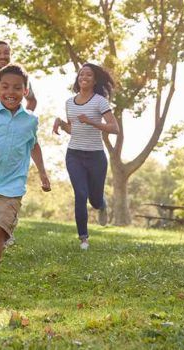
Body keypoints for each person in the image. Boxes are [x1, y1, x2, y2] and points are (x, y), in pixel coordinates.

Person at [0, 63, 51, 296]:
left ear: (25, 91)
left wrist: (43, 173)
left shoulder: (30, 121)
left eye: (17, 87)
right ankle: (0, 226)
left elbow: (33, 145)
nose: (10, 92)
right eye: (5, 87)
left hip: (12, 185)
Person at [52, 63, 119, 250]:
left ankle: (102, 203)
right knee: (80, 194)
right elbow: (73, 130)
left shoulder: (100, 101)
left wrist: (91, 121)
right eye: (81, 74)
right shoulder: (69, 102)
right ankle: (83, 238)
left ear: (95, 80)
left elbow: (115, 129)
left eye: (88, 75)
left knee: (95, 200)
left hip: (96, 156)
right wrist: (60, 123)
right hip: (74, 155)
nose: (84, 77)